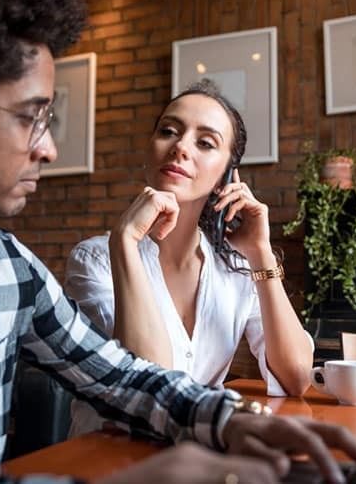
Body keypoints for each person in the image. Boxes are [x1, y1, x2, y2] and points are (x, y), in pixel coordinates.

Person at [0, 0, 356, 484]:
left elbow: (121, 378)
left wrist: (235, 421)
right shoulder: (81, 257)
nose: (48, 149)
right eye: (31, 117)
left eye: (206, 142)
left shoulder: (6, 268)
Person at [65, 80, 314, 436]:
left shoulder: (236, 268)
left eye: (205, 142)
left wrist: (260, 253)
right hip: (109, 459)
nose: (180, 147)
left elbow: (297, 378)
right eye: (169, 131)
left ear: (225, 176)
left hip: (199, 461)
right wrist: (125, 241)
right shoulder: (96, 259)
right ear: (149, 152)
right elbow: (149, 388)